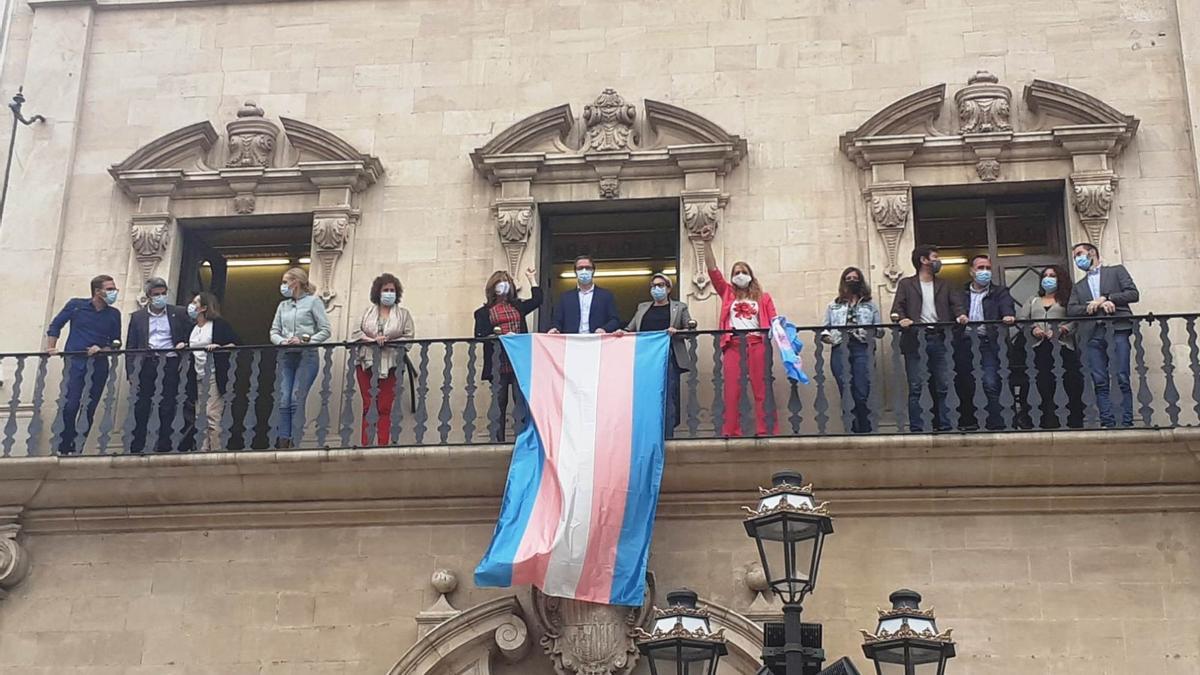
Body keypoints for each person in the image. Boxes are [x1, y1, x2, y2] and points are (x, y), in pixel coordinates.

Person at [703, 240, 778, 437]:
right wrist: (706, 242)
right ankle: (731, 431)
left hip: (756, 343)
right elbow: (712, 270)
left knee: (761, 388)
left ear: (751, 276)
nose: (740, 275)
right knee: (732, 389)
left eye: (744, 272)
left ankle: (765, 429)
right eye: (736, 273)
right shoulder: (727, 292)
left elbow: (774, 320)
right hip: (733, 343)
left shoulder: (764, 297)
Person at [891, 245, 968, 432]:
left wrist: (961, 315)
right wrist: (902, 319)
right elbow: (896, 308)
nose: (937, 261)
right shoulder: (906, 284)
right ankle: (917, 428)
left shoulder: (945, 284)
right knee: (916, 386)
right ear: (924, 260)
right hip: (916, 339)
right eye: (935, 257)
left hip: (940, 338)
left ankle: (946, 425)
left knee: (944, 384)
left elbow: (956, 305)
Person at [45, 275, 123, 455]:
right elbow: (56, 325)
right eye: (110, 289)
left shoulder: (113, 314)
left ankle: (77, 448)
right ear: (97, 291)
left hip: (99, 364)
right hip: (76, 362)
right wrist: (51, 348)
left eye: (114, 289)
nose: (113, 292)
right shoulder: (76, 305)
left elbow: (116, 342)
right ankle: (64, 447)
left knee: (89, 408)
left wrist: (102, 348)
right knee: (70, 404)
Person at [1067, 242, 1140, 428]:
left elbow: (1133, 293)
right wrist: (1093, 306)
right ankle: (1107, 421)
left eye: (1079, 254)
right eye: (1075, 256)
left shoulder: (1116, 271)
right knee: (1099, 380)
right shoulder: (1079, 285)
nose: (1077, 259)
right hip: (1093, 334)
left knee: (1121, 376)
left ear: (1092, 253)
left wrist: (1107, 298)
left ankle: (1126, 421)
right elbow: (1072, 310)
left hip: (1117, 329)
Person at [616, 273, 694, 437]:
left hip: (668, 357)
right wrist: (621, 332)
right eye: (653, 286)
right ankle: (646, 433)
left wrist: (676, 331)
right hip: (645, 358)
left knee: (667, 395)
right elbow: (631, 328)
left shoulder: (680, 307)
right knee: (645, 395)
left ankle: (667, 434)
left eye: (660, 285)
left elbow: (690, 331)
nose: (656, 289)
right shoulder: (643, 307)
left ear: (668, 288)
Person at [126, 277, 194, 453]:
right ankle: (137, 446)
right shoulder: (138, 317)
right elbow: (131, 346)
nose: (161, 297)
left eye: (163, 294)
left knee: (168, 405)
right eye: (157, 294)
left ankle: (164, 446)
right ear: (149, 296)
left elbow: (194, 333)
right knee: (142, 405)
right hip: (147, 363)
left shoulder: (178, 312)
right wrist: (131, 373)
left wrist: (184, 345)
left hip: (170, 362)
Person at [474, 268, 542, 442]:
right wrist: (495, 334)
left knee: (519, 399)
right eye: (499, 282)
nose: (502, 285)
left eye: (505, 282)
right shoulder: (483, 312)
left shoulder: (517, 306)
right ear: (493, 287)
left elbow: (537, 300)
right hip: (498, 361)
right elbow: (479, 335)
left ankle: (521, 439)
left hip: (517, 360)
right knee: (499, 400)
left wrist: (531, 279)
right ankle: (498, 439)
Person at [1014, 266, 1084, 429]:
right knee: (1041, 383)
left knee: (1068, 383)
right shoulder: (1033, 300)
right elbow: (1022, 318)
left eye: (1052, 275)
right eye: (1045, 276)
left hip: (1062, 347)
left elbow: (1075, 319)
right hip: (1037, 348)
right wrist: (1033, 329)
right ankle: (1043, 420)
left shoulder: (1067, 299)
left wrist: (1063, 329)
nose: (1048, 278)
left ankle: (1070, 421)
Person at [952, 254, 1016, 431]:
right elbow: (953, 308)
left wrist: (1008, 315)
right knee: (966, 383)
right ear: (972, 271)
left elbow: (1007, 306)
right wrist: (959, 317)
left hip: (987, 342)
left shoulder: (999, 292)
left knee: (990, 382)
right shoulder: (960, 292)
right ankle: (970, 422)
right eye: (981, 268)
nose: (985, 272)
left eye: (988, 268)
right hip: (964, 343)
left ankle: (996, 424)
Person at [270, 267, 331, 448]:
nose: (283, 286)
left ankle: (295, 440)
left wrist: (307, 340)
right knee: (284, 399)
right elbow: (274, 331)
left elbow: (325, 330)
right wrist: (282, 341)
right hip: (287, 356)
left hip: (307, 356)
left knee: (296, 397)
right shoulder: (283, 306)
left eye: (285, 282)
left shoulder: (313, 302)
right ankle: (283, 440)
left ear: (296, 282)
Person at [351, 273, 414, 446]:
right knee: (368, 405)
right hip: (366, 362)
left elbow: (409, 337)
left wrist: (388, 341)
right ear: (378, 292)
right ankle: (366, 444)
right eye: (386, 290)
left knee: (385, 407)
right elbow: (355, 333)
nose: (389, 293)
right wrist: (372, 340)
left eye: (392, 290)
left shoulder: (403, 314)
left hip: (392, 363)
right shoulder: (366, 312)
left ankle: (382, 444)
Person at [820, 267, 882, 434]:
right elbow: (825, 327)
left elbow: (880, 330)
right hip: (841, 347)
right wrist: (827, 337)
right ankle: (852, 430)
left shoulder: (870, 305)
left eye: (855, 278)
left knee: (862, 392)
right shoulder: (833, 305)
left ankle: (865, 429)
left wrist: (870, 332)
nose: (852, 280)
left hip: (862, 347)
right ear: (843, 281)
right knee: (846, 392)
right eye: (849, 278)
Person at [186, 292, 240, 451]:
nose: (192, 305)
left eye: (195, 302)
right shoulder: (193, 328)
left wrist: (219, 347)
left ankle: (215, 451)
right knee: (199, 415)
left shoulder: (218, 324)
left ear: (204, 307)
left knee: (212, 414)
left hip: (214, 374)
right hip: (197, 374)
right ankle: (202, 450)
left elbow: (236, 343)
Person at [549, 255, 621, 334]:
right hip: (572, 342)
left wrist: (604, 329)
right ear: (575, 272)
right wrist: (555, 329)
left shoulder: (606, 296)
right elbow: (557, 321)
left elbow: (615, 320)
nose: (584, 271)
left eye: (587, 268)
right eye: (580, 268)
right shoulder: (565, 298)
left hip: (597, 341)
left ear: (593, 270)